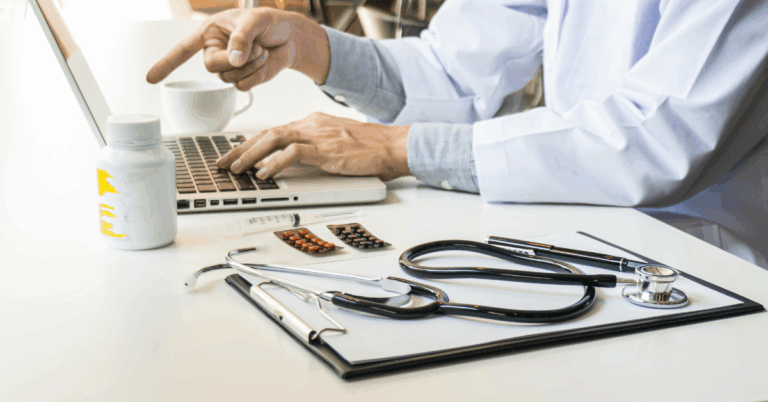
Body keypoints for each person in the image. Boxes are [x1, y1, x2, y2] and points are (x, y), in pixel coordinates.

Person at [146, 0, 768, 267]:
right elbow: (456, 65)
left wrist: (399, 148)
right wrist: (313, 47)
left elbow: (661, 138)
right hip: (595, 229)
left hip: (708, 263)